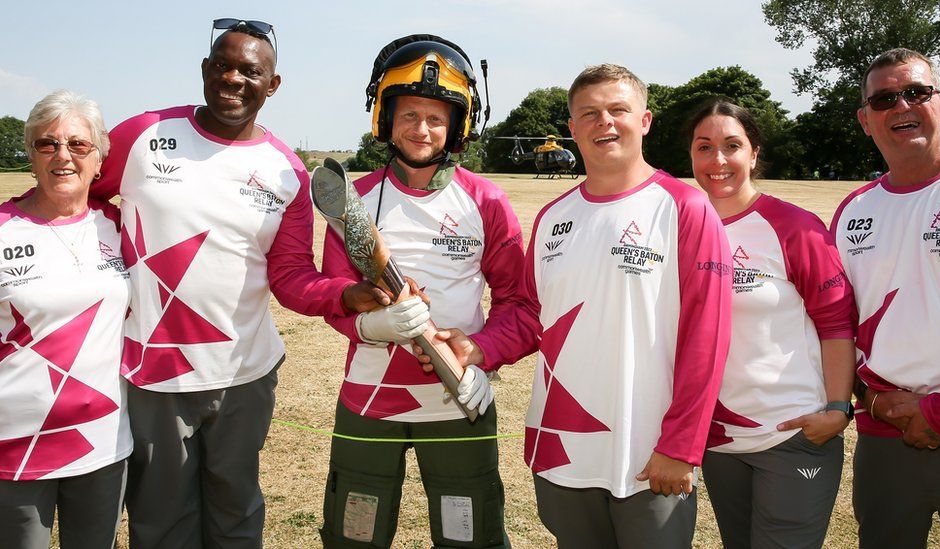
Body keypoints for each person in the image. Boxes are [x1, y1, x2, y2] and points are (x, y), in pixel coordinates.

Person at [89, 19, 377, 548]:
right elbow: (81, 197)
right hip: (154, 372)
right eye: (221, 65)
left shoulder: (287, 171)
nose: (232, 79)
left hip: (244, 374)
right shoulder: (143, 134)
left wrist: (344, 294)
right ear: (205, 69)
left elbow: (289, 276)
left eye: (250, 71)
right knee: (160, 518)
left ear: (273, 85)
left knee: (235, 511)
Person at [317, 35, 529, 548]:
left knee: (469, 536)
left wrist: (482, 353)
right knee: (354, 535)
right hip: (369, 400)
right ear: (385, 119)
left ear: (458, 125)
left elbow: (520, 305)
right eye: (409, 114)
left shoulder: (487, 200)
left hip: (456, 399)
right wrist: (370, 325)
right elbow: (334, 294)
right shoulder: (353, 202)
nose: (422, 129)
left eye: (437, 117)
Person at [514, 64, 731, 548]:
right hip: (563, 447)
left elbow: (707, 336)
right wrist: (474, 349)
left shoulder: (685, 207)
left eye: (618, 110)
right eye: (589, 113)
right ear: (572, 129)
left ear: (645, 120)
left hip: (649, 455)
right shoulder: (553, 216)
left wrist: (681, 445)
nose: (604, 122)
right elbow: (529, 315)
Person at [687, 98, 856, 548]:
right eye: (704, 147)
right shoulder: (680, 228)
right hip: (719, 440)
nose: (717, 160)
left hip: (792, 434)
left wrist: (838, 409)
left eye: (732, 146)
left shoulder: (793, 227)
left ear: (754, 153)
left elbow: (837, 323)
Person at [832, 47, 940, 547]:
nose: (901, 106)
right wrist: (867, 399)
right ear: (865, 119)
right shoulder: (853, 212)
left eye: (917, 92)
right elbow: (838, 325)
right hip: (885, 435)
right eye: (885, 98)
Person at [0, 91, 130, 548]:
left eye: (78, 145)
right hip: (13, 449)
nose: (63, 156)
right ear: (31, 155)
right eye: (47, 144)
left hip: (104, 443)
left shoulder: (119, 225)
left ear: (99, 159)